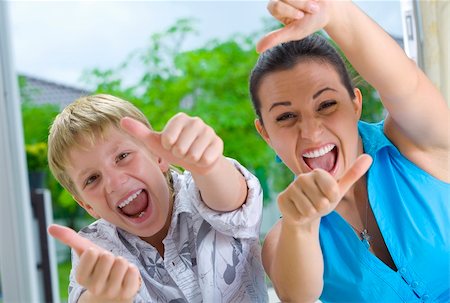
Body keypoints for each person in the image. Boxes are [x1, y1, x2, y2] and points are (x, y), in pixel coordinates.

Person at [249, 0, 449, 302]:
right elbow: (296, 294)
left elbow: (405, 85)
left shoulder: (415, 144)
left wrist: (337, 13)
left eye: (326, 104)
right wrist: (301, 225)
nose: (311, 131)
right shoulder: (285, 237)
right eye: (286, 117)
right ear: (264, 132)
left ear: (356, 103)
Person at [47, 94, 268, 303]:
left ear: (158, 156)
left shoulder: (201, 186)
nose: (115, 183)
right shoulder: (96, 246)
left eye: (122, 156)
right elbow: (88, 295)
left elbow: (231, 198)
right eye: (92, 179)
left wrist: (208, 165)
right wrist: (104, 297)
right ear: (87, 205)